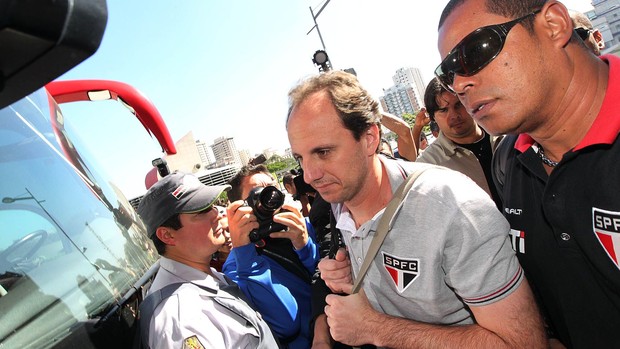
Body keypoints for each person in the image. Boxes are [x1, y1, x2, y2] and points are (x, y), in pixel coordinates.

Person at [285, 70, 546, 348]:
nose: (310, 175)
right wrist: (350, 276)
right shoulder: (340, 204)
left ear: (370, 138)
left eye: (323, 152)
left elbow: (522, 343)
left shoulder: (453, 208)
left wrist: (375, 328)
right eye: (301, 158)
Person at [436, 1, 620, 347]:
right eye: (449, 73)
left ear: (553, 24)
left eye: (475, 51)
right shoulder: (508, 161)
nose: (459, 84)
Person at [136, 171, 279, 348]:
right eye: (202, 210)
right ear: (167, 235)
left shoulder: (206, 276)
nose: (216, 214)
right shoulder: (180, 319)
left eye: (212, 206)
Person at [223, 164, 319, 349]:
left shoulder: (303, 225)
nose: (268, 197)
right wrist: (245, 251)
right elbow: (286, 324)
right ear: (239, 208)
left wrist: (305, 245)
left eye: (271, 188)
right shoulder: (237, 264)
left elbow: (332, 279)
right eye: (257, 193)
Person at [414, 77, 503, 209]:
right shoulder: (428, 164)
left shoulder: (505, 135)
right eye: (443, 110)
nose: (454, 115)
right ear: (432, 117)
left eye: (458, 105)